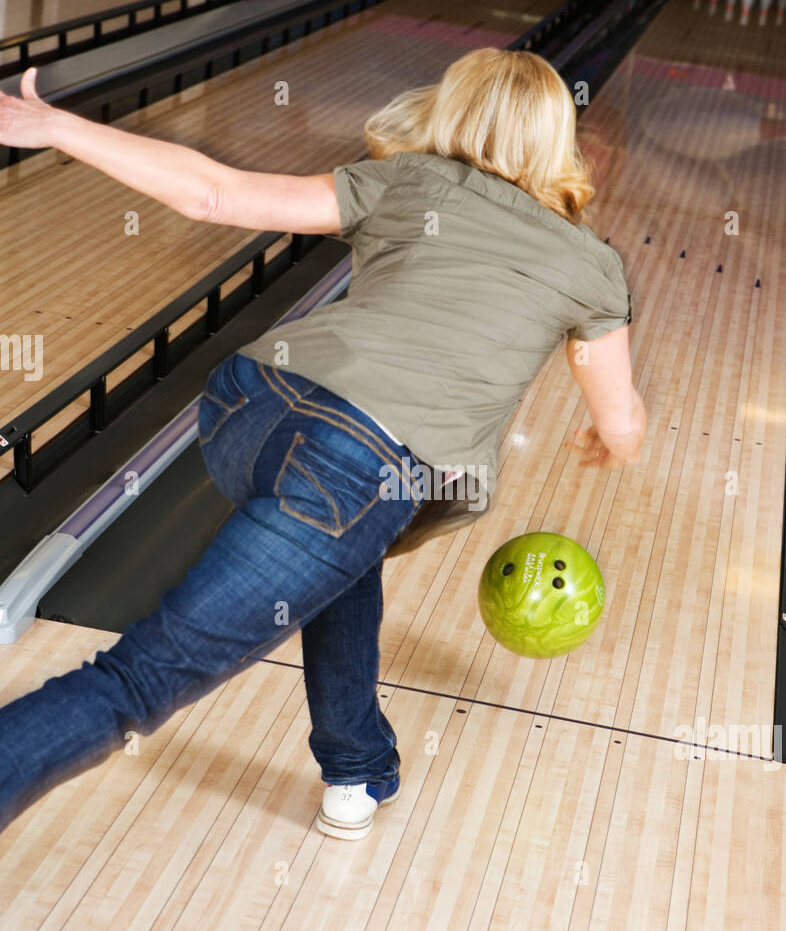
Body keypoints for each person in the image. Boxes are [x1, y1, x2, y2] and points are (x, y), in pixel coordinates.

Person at [0, 48, 645, 841]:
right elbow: (622, 423)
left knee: (346, 556)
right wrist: (608, 442)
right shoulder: (592, 266)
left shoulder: (410, 182)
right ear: (559, 138)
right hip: (356, 470)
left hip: (247, 409)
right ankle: (352, 767)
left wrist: (60, 127)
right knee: (136, 683)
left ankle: (356, 767)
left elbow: (213, 193)